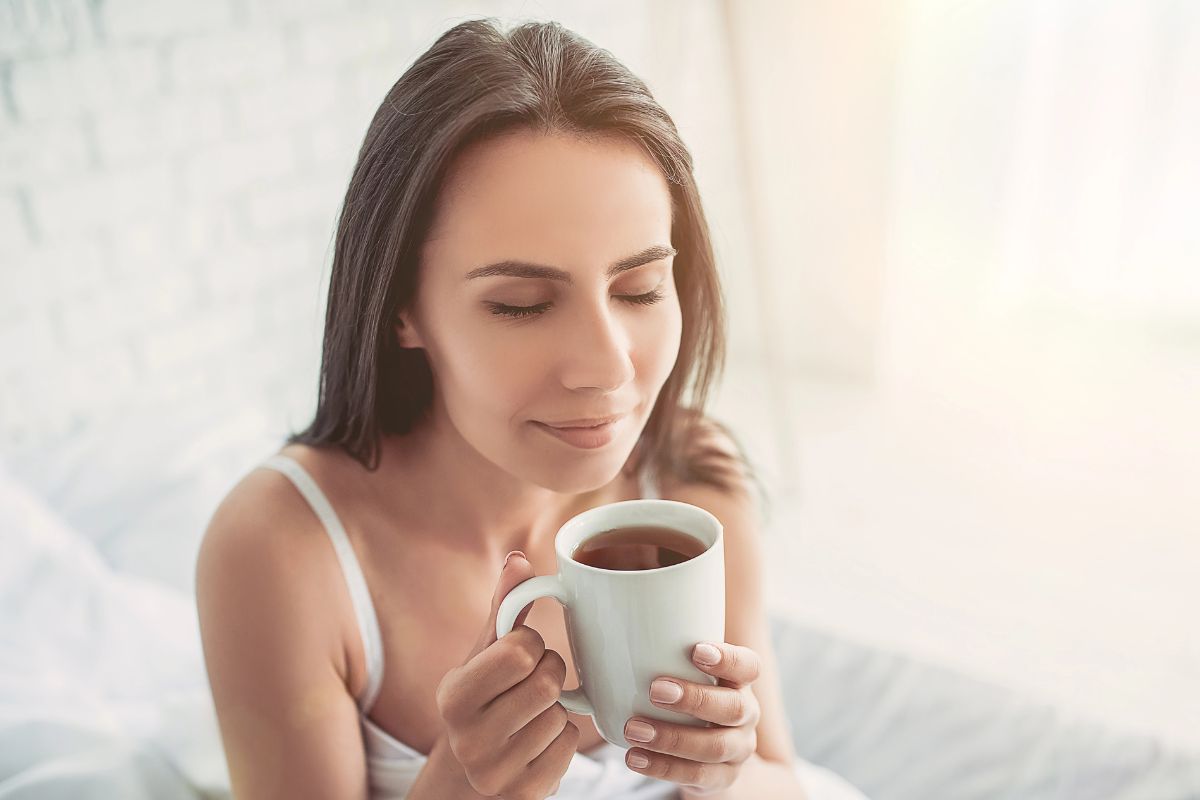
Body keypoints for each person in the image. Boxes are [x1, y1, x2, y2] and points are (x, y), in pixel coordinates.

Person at [196, 17, 869, 800]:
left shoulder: (690, 478)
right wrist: (453, 787)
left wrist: (724, 776)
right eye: (520, 305)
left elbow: (776, 773)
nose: (609, 367)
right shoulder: (282, 551)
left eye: (640, 289)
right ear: (399, 309)